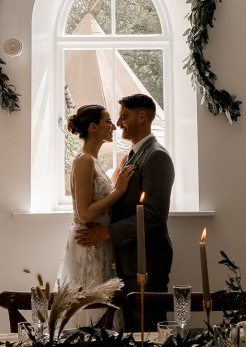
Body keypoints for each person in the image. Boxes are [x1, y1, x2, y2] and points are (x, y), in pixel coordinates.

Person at [76, 94, 175, 331]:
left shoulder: (156, 156)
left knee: (147, 332)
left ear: (142, 117)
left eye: (123, 117)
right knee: (130, 332)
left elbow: (154, 213)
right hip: (126, 261)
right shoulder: (133, 155)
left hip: (146, 262)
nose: (118, 123)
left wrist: (107, 232)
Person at [55, 104, 136, 327]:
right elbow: (84, 214)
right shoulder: (83, 161)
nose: (113, 126)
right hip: (87, 244)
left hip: (100, 243)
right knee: (89, 308)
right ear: (93, 127)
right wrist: (118, 190)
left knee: (102, 308)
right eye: (108, 122)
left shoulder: (96, 162)